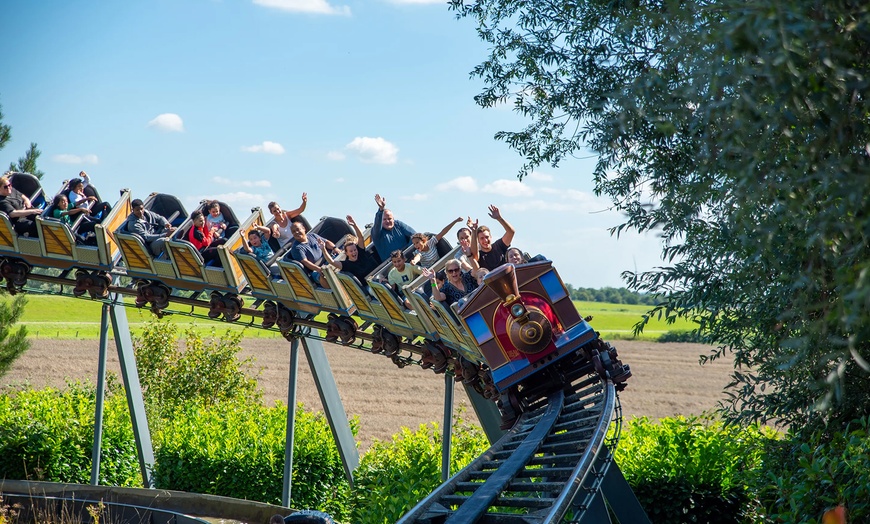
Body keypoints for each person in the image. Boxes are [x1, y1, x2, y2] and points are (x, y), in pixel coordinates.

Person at [319, 215, 379, 284]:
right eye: (351, 251)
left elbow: (360, 238)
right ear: (346, 253)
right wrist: (323, 249)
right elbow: (332, 262)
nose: (354, 252)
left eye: (354, 250)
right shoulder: (346, 264)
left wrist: (354, 225)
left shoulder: (361, 253)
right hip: (367, 285)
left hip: (375, 277)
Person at [288, 221, 336, 288]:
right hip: (314, 270)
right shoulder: (296, 248)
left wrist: (335, 248)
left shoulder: (312, 236)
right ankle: (332, 290)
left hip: (327, 259)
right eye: (293, 231)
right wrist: (319, 269)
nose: (296, 232)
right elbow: (305, 262)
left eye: (298, 229)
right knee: (322, 275)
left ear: (303, 229)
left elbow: (326, 242)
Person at [371, 193, 416, 262]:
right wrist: (381, 209)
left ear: (393, 219)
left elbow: (414, 235)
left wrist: (408, 252)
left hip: (408, 258)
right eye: (384, 219)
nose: (387, 221)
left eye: (389, 219)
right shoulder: (377, 234)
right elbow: (377, 225)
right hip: (392, 265)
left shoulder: (398, 224)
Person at [470, 204, 516, 270]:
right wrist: (473, 231)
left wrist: (499, 218)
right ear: (478, 240)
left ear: (491, 237)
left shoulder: (499, 245)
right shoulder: (479, 255)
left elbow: (511, 232)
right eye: (482, 238)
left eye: (487, 237)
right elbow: (474, 255)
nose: (485, 240)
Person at [0, 172, 41, 237]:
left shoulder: (12, 190)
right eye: (5, 187)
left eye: (9, 185)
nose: (8, 188)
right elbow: (13, 213)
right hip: (18, 221)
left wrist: (27, 201)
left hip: (27, 212)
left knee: (42, 217)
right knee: (34, 226)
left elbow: (22, 196)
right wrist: (31, 211)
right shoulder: (2, 201)